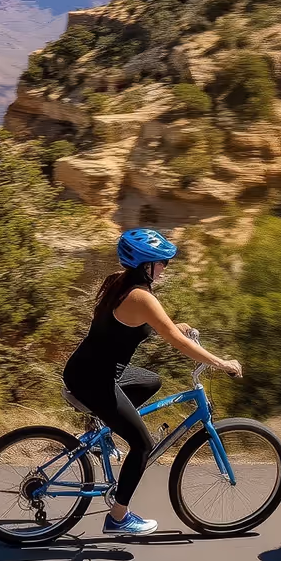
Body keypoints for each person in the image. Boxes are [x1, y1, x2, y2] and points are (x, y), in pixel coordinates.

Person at [62, 228, 243, 536]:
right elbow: (173, 339)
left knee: (150, 381)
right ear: (145, 266)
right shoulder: (140, 296)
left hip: (88, 369)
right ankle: (118, 517)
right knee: (143, 444)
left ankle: (101, 428)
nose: (164, 268)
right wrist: (220, 362)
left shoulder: (119, 284)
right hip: (94, 380)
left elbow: (144, 326)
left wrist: (176, 326)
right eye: (161, 263)